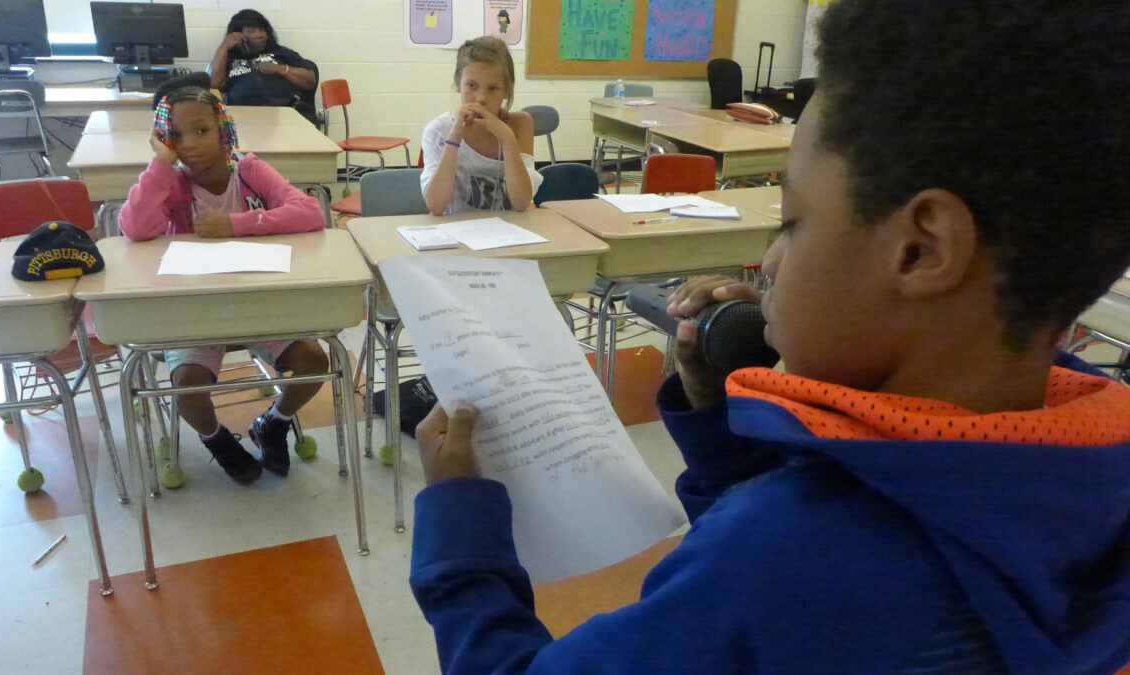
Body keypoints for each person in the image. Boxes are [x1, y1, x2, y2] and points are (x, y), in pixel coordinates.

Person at [408, 1, 1130, 673]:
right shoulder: (1096, 465)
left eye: (792, 221)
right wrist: (724, 438)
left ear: (920, 250)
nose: (769, 262)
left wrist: (459, 525)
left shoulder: (782, 561)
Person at [119, 84, 327, 485]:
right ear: (164, 139)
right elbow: (134, 228)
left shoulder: (249, 171)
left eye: (201, 131)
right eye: (176, 135)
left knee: (315, 362)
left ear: (222, 130)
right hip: (194, 308)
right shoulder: (169, 182)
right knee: (187, 386)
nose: (191, 144)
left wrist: (234, 224)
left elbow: (309, 212)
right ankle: (217, 440)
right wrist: (161, 165)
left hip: (256, 303)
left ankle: (273, 423)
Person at [421, 36, 541, 215]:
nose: (481, 98)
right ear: (457, 83)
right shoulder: (438, 130)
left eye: (492, 88)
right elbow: (436, 206)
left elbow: (521, 201)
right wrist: (454, 138)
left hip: (508, 233)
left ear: (507, 89)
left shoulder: (519, 125)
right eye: (472, 85)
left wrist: (507, 139)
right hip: (457, 231)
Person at [208, 9, 319, 126]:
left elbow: (309, 81)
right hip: (245, 120)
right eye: (251, 31)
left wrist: (280, 69)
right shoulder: (228, 58)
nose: (259, 35)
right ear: (237, 35)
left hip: (285, 118)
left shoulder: (281, 53)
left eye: (262, 30)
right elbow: (213, 82)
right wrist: (224, 46)